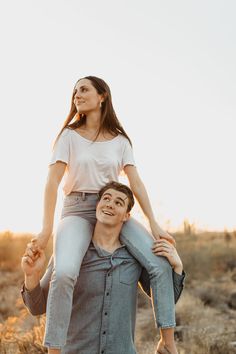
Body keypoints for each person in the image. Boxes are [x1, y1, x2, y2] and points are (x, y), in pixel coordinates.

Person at [32, 75, 178, 354]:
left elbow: (135, 183)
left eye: (84, 89)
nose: (77, 94)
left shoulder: (121, 140)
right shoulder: (68, 136)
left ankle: (167, 342)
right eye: (74, 91)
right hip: (76, 210)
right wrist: (46, 229)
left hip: (111, 210)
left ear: (102, 96)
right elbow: (51, 182)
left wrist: (154, 223)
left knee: (160, 264)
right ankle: (54, 350)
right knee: (63, 273)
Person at [22, 182, 185, 354]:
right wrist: (31, 275)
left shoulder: (134, 259)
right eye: (106, 198)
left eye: (118, 202)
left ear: (126, 216)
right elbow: (37, 308)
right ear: (97, 206)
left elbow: (165, 298)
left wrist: (176, 267)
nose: (110, 204)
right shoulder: (69, 255)